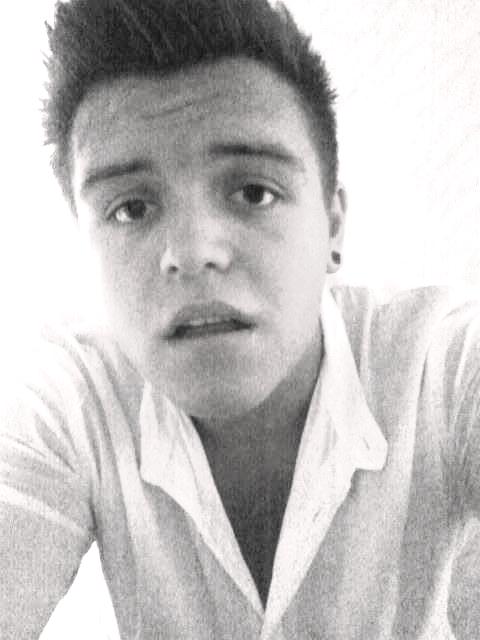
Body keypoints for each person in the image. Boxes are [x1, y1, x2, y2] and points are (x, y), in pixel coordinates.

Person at [1, 0, 479, 638]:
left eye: (254, 192)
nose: (192, 251)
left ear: (334, 227)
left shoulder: (442, 365)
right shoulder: (67, 398)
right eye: (130, 208)